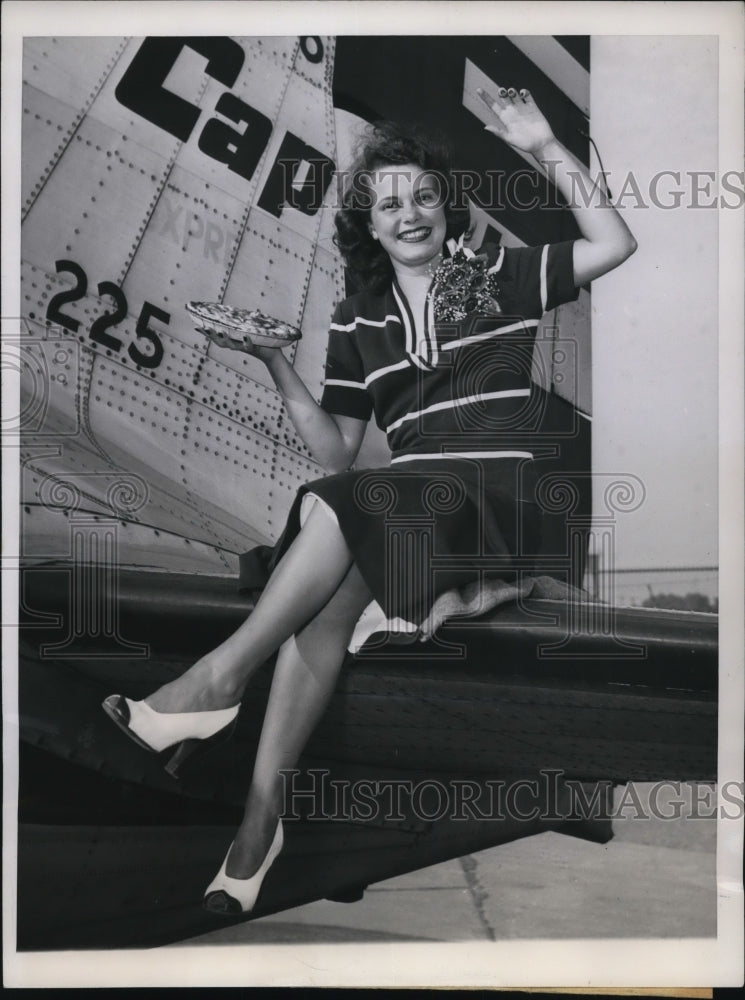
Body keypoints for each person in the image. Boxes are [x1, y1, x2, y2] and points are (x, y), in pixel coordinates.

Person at [102, 86, 637, 915]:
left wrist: (541, 145)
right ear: (368, 222)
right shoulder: (360, 319)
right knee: (325, 578)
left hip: (495, 503)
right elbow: (335, 449)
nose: (410, 212)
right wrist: (275, 363)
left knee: (341, 505)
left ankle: (212, 682)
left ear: (446, 209)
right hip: (407, 514)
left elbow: (614, 241)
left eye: (424, 195)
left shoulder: (498, 273)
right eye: (390, 203)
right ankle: (257, 829)